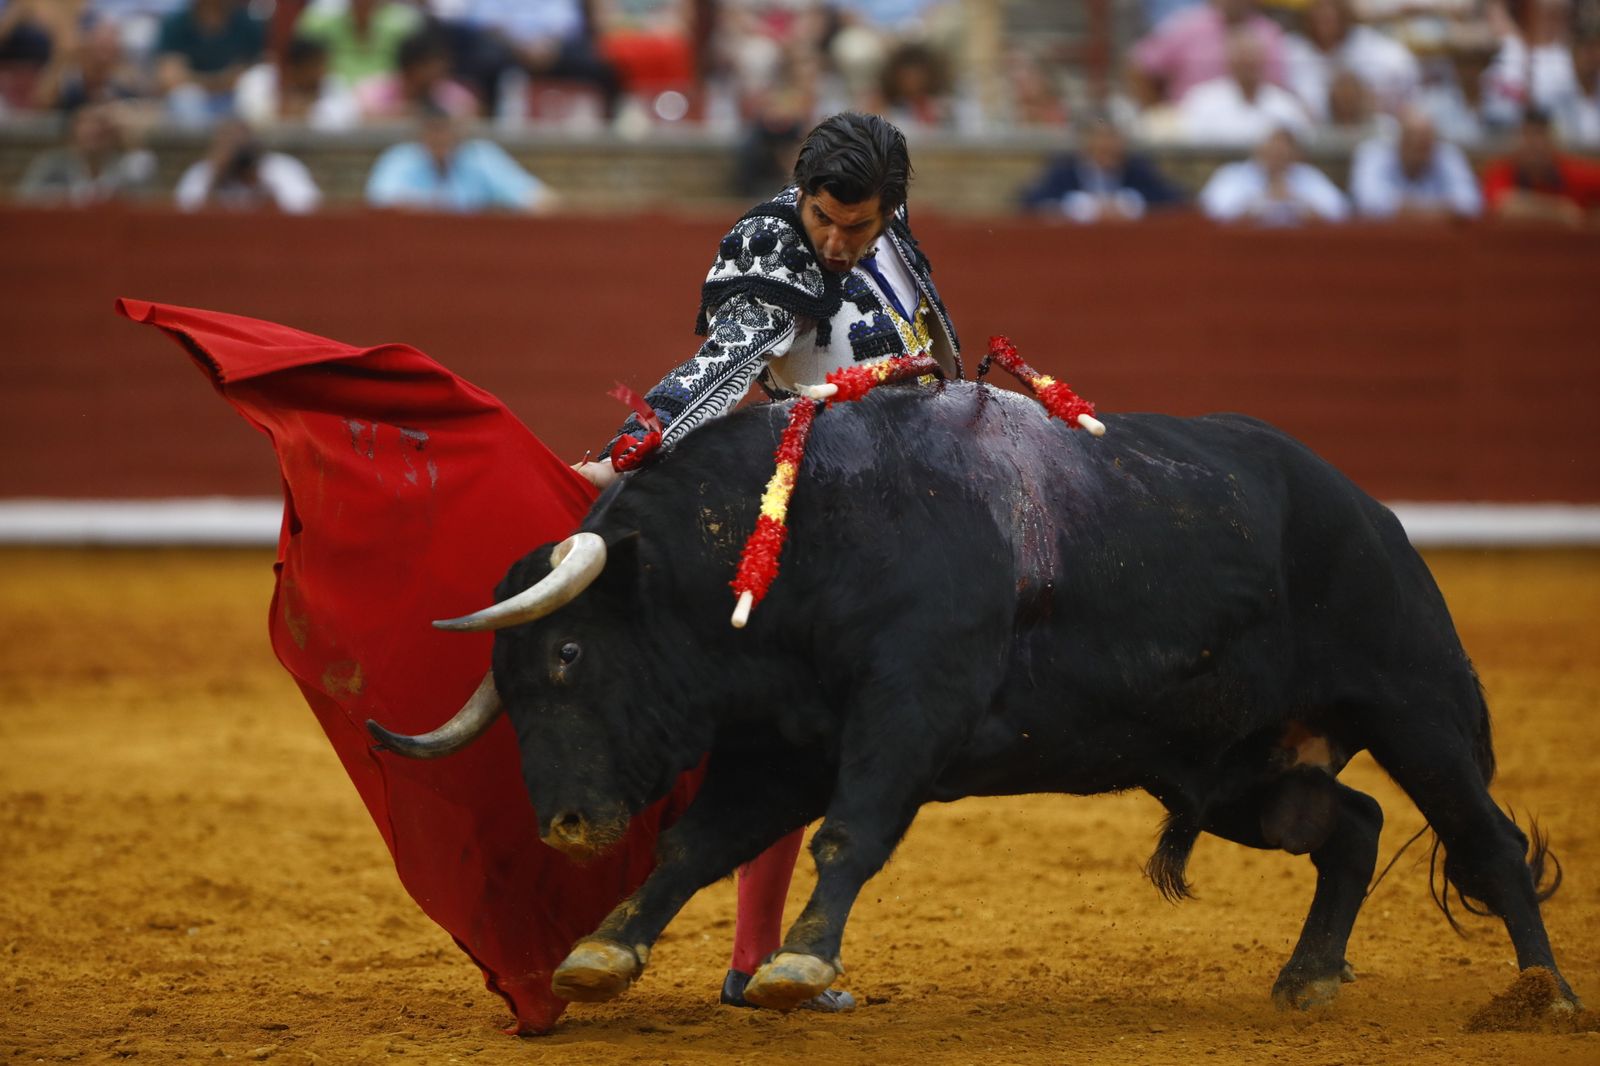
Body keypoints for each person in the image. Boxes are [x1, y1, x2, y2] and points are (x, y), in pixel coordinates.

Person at [572, 114, 960, 1011]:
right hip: (826, 525)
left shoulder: (890, 234)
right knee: (802, 740)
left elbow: (927, 346)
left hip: (916, 514)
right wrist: (620, 455)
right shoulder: (769, 245)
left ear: (889, 208)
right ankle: (744, 953)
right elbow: (720, 369)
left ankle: (750, 951)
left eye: (855, 227)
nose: (833, 241)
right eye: (823, 218)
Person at [364, 105, 556, 213]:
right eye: (432, 131)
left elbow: (540, 199)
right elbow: (381, 203)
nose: (439, 138)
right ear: (420, 135)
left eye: (444, 131)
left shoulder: (481, 157)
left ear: (457, 133)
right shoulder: (399, 159)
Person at [1020, 117, 1185, 220]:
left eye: (1112, 139)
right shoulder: (1064, 170)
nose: (1106, 146)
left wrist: (1128, 204)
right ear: (1086, 144)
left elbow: (1175, 199)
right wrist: (1081, 206)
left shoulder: (1137, 168)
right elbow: (1030, 202)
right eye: (1099, 140)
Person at [1180, 27, 1313, 144]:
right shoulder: (1202, 101)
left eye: (1253, 60)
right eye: (1242, 60)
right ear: (1230, 62)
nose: (1248, 66)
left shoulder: (1285, 105)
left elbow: (1301, 144)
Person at [1198, 124, 1350, 223]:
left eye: (1283, 151)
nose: (1277, 155)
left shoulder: (1309, 176)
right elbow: (1214, 213)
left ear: (1295, 154)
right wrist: (1263, 203)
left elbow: (1339, 213)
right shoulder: (1232, 175)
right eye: (1273, 149)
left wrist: (1296, 203)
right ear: (1259, 149)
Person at [15, 101, 157, 203]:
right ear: (73, 132)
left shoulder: (123, 166)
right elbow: (26, 198)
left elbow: (145, 200)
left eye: (100, 125)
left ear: (112, 134)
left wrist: (132, 140)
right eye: (86, 124)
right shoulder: (51, 163)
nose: (93, 130)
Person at [1349, 107, 1481, 218]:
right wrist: (1439, 211)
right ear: (1400, 141)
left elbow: (1471, 203)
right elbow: (1366, 201)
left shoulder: (1448, 155)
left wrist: (1405, 209)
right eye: (1412, 140)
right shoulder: (1373, 154)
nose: (1418, 148)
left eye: (1425, 144)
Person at [174, 117, 322, 212]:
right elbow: (184, 213)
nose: (237, 149)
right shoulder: (204, 172)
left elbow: (307, 208)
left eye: (241, 142)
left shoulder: (281, 168)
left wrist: (259, 182)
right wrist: (216, 177)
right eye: (229, 142)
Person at [1481, 106, 1600, 223]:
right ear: (1515, 141)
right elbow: (1502, 204)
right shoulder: (1501, 170)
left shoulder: (1574, 172)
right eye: (1527, 136)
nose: (1535, 144)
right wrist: (1559, 211)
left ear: (1555, 141)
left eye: (1541, 135)